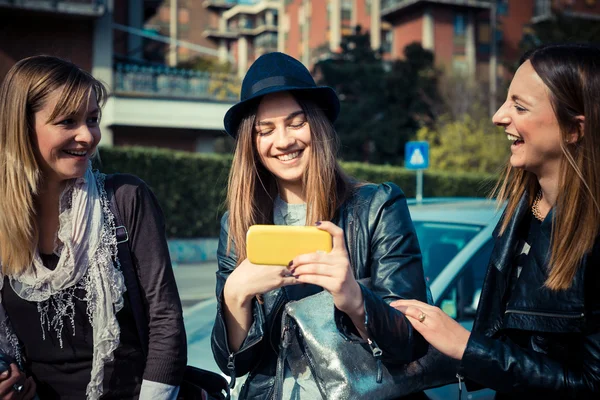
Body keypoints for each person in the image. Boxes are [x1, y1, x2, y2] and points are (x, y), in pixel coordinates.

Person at [210, 51, 429, 399]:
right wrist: (235, 294)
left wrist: (354, 297)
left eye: (296, 123)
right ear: (252, 144)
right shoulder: (238, 225)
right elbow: (232, 362)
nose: (283, 141)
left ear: (318, 124)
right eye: (266, 130)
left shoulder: (376, 207)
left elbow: (412, 341)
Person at [391, 43, 600, 399]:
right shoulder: (521, 214)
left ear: (574, 130)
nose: (499, 116)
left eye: (519, 106)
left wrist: (466, 346)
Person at [0, 55, 187, 399]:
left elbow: (166, 321)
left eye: (92, 119)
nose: (87, 136)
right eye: (67, 121)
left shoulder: (126, 198)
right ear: (22, 128)